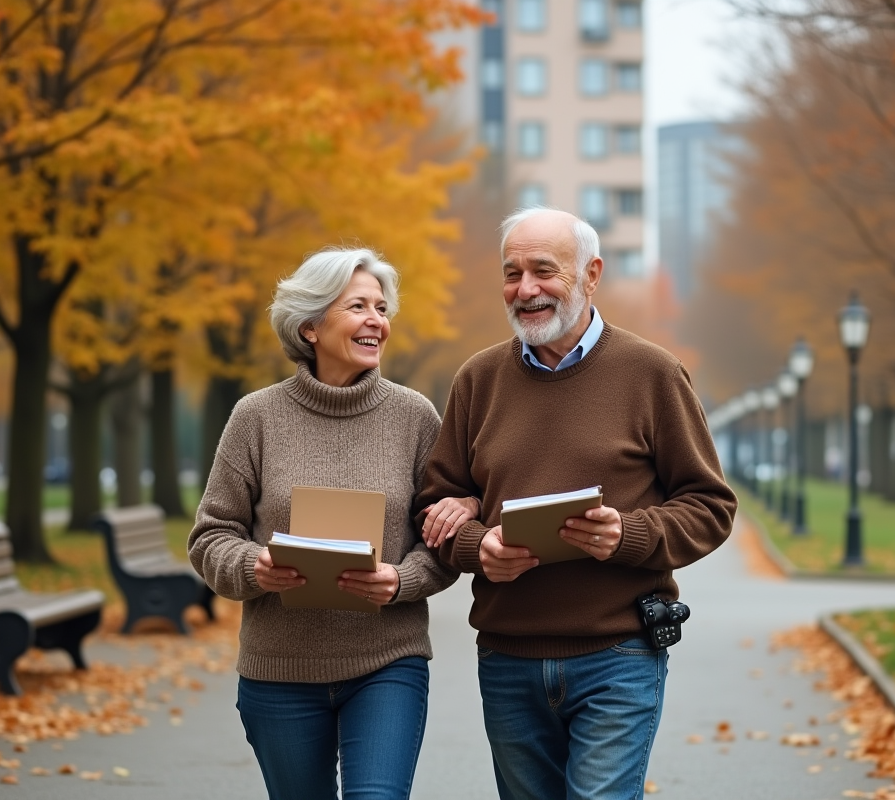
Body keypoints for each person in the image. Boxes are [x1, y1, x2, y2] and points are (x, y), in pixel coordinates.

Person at [417, 207, 738, 800]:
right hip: (508, 657)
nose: (526, 289)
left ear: (591, 274)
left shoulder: (653, 374)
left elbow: (710, 505)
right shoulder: (477, 381)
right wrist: (477, 546)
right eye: (512, 274)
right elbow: (436, 503)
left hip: (617, 654)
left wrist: (629, 535)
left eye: (544, 270)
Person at [188, 247, 470, 800]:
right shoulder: (256, 417)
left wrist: (402, 581)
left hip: (387, 661)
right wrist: (254, 565)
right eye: (358, 306)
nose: (376, 321)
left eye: (381, 308)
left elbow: (441, 539)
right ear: (311, 325)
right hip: (279, 668)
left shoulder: (415, 417)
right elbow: (210, 536)